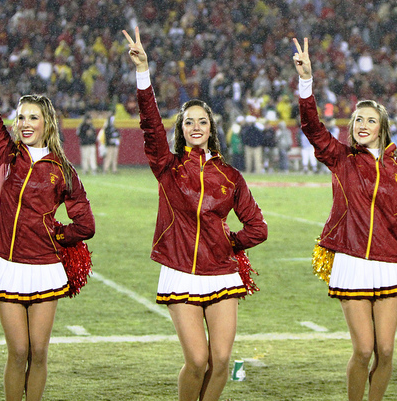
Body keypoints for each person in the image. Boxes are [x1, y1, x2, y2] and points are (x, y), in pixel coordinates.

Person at [123, 28, 267, 401]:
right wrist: (144, 74)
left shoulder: (230, 175)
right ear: (182, 131)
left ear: (211, 129)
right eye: (189, 122)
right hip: (180, 271)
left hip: (221, 271)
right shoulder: (167, 167)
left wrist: (228, 242)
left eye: (202, 122)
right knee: (198, 360)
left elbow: (258, 226)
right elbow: (151, 125)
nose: (196, 127)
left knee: (221, 360)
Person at [0, 12, 95, 401]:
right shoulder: (7, 154)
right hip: (6, 263)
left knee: (38, 352)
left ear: (46, 124)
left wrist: (59, 235)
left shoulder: (62, 169)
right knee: (18, 350)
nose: (24, 122)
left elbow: (85, 222)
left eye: (32, 117)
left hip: (44, 265)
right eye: (20, 116)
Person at [293, 37, 397, 401]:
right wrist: (306, 82)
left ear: (382, 127)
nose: (362, 124)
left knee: (386, 351)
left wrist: (389, 232)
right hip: (351, 261)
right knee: (364, 350)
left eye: (370, 120)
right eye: (357, 119)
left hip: (388, 264)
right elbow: (311, 127)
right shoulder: (341, 159)